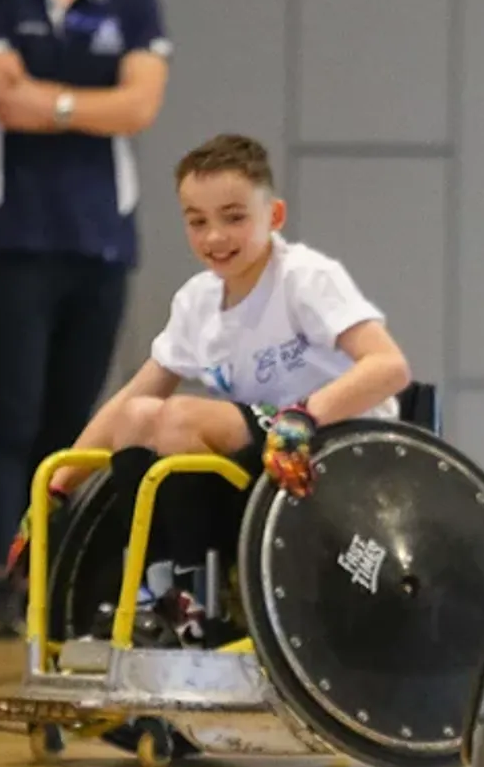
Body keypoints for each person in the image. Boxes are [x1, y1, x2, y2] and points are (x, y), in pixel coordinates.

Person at [29, 133, 411, 641]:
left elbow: (389, 367)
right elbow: (129, 403)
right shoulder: (197, 302)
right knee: (141, 415)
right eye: (197, 221)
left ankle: (199, 597)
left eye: (234, 217)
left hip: (338, 448)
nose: (215, 236)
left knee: (178, 416)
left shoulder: (305, 278)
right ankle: (170, 592)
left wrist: (304, 417)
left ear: (274, 216)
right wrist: (56, 490)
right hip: (258, 457)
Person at [0, 0, 172, 637]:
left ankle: (58, 567)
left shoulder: (131, 1)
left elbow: (142, 105)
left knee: (77, 418)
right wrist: (91, 104)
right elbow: (0, 97)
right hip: (10, 236)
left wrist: (53, 101)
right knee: (5, 411)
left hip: (100, 238)